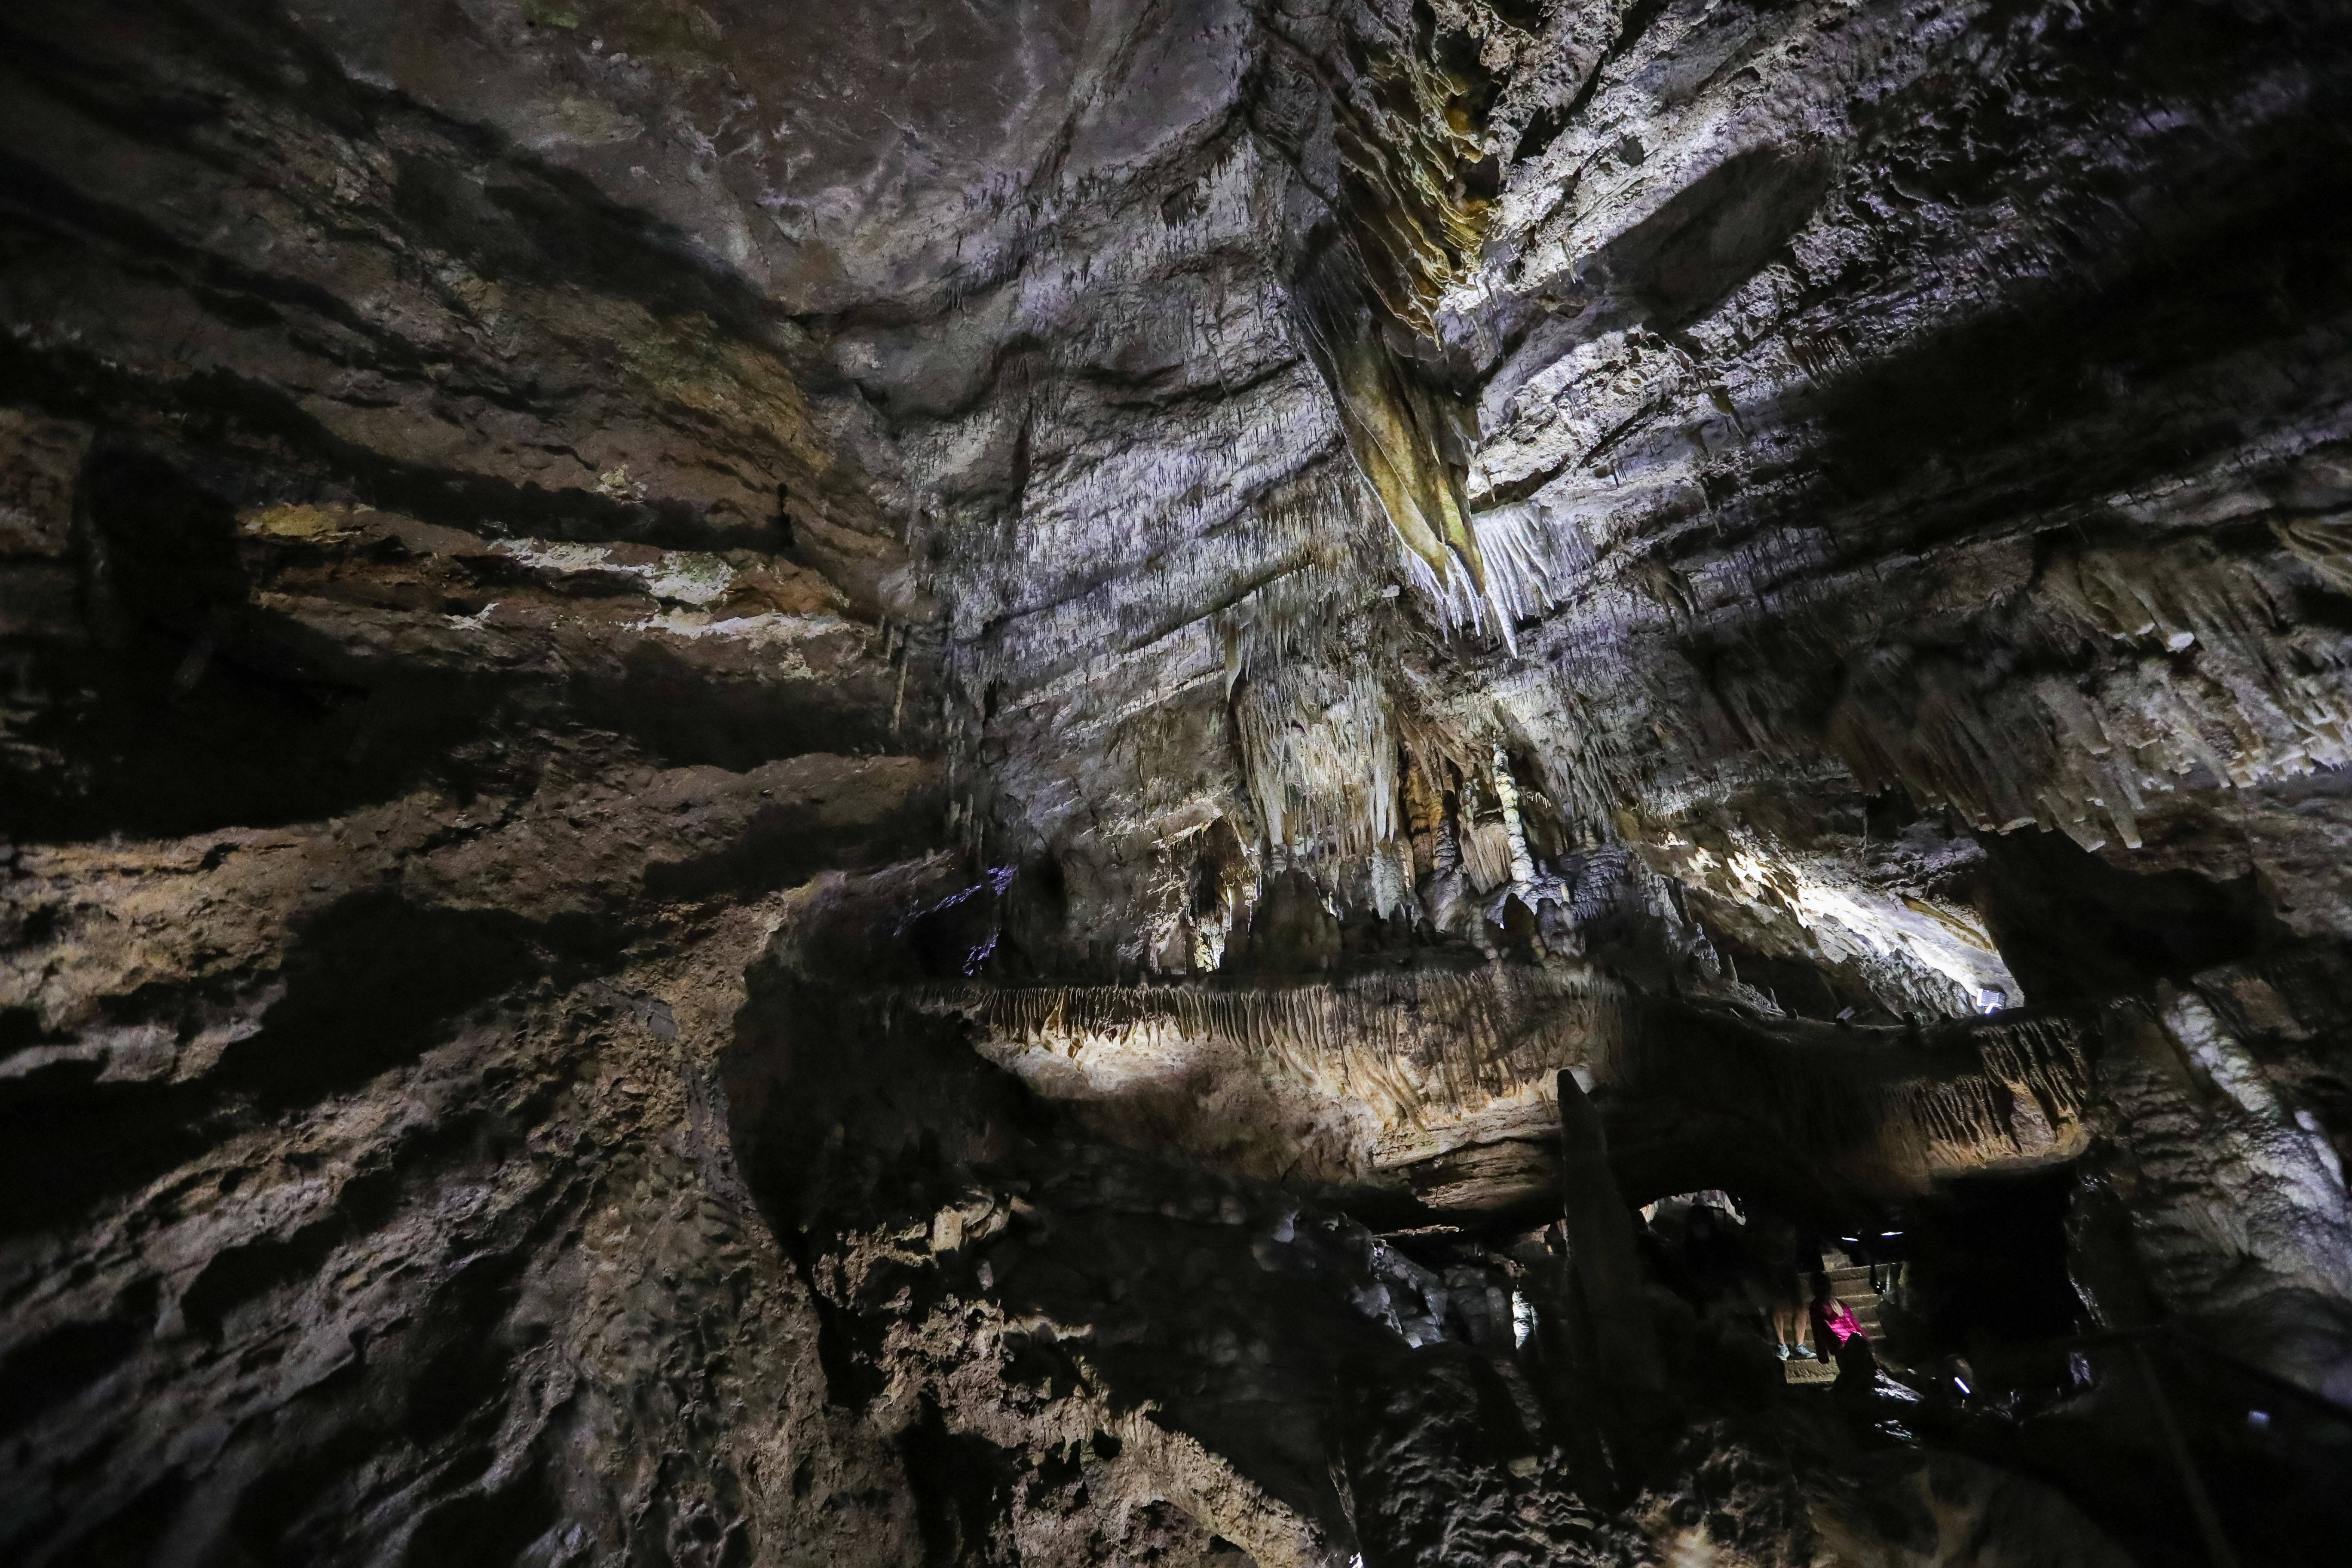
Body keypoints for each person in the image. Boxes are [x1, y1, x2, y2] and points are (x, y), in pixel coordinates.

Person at [1809, 1272, 1877, 1399]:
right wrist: (1866, 1340)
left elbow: (1818, 1331)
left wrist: (1822, 1355)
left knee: (1851, 1379)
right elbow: (1855, 1324)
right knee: (1861, 1378)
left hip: (1841, 1348)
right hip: (1856, 1343)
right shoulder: (1839, 1304)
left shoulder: (1817, 1306)